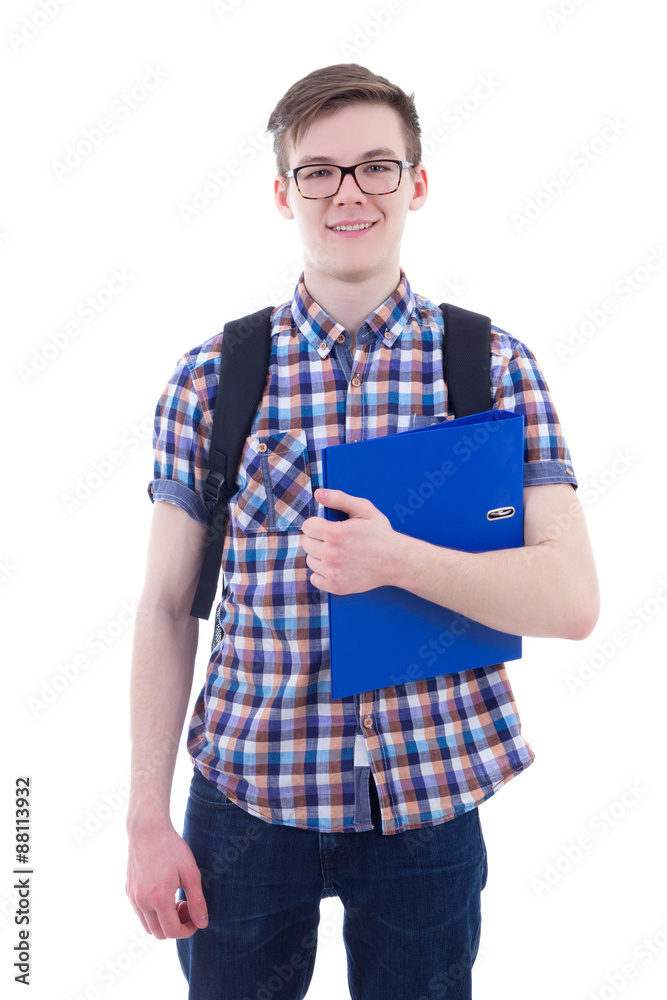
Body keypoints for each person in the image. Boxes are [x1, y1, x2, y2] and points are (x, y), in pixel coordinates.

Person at [125, 63, 599, 1000]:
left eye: (378, 166)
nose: (349, 192)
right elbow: (166, 607)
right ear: (282, 192)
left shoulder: (490, 365)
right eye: (319, 171)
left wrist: (396, 561)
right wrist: (144, 814)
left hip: (428, 804)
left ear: (416, 184)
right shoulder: (211, 380)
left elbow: (571, 600)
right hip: (247, 803)